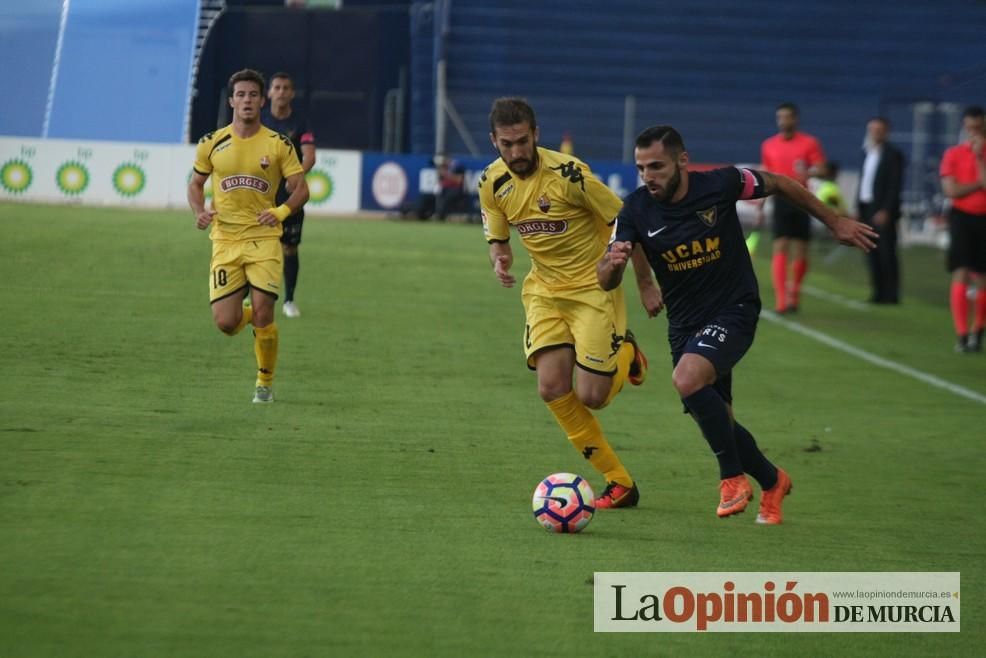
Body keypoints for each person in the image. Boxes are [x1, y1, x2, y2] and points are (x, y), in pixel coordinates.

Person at [598, 125, 877, 524]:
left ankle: (731, 479)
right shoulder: (635, 209)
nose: (648, 176)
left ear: (682, 161)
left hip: (735, 308)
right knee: (717, 419)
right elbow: (605, 278)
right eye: (642, 167)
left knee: (687, 379)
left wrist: (834, 223)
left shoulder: (722, 183)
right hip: (684, 323)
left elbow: (780, 183)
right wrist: (613, 266)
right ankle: (772, 479)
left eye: (657, 166)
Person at [479, 98, 663, 508]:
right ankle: (619, 482)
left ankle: (627, 351)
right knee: (551, 387)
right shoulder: (491, 182)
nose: (516, 152)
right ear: (494, 141)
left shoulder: (569, 175)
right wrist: (499, 256)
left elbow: (625, 219)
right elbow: (497, 233)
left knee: (592, 395)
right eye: (506, 144)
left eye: (522, 141)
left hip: (593, 289)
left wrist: (645, 283)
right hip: (544, 291)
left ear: (536, 134)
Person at [188, 69, 309, 403]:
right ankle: (252, 319)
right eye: (240, 95)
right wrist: (199, 211)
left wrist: (282, 212)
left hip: (265, 239)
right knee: (226, 323)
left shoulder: (278, 143)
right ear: (231, 101)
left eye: (253, 95)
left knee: (264, 313)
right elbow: (196, 184)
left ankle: (264, 383)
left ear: (262, 100)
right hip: (225, 240)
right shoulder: (211, 143)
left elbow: (301, 189)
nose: (247, 101)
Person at [760, 102, 827, 313]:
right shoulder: (769, 145)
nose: (784, 121)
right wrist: (761, 203)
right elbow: (766, 175)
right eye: (780, 117)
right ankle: (781, 300)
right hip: (780, 199)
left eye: (787, 117)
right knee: (780, 245)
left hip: (801, 198)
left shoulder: (809, 143)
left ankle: (794, 294)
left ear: (795, 119)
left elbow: (822, 169)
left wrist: (809, 173)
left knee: (801, 248)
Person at [260, 71, 316, 319]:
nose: (281, 92)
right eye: (277, 87)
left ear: (291, 93)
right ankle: (252, 294)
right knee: (256, 244)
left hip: (289, 196)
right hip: (261, 194)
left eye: (286, 88)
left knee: (289, 249)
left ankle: (289, 299)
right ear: (269, 92)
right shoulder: (259, 122)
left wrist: (296, 176)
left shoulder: (300, 123)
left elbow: (310, 155)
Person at [940, 105, 986, 353]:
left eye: (978, 128)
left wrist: (980, 159)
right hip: (961, 217)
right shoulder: (953, 154)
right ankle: (961, 333)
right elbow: (952, 191)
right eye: (969, 128)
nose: (973, 133)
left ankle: (978, 331)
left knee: (982, 277)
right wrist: (978, 184)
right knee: (960, 270)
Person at [857, 117, 905, 305]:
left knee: (886, 252)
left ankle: (891, 294)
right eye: (872, 129)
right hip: (867, 207)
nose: (875, 133)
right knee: (871, 252)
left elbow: (895, 185)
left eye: (879, 129)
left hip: (883, 209)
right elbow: (864, 182)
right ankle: (877, 292)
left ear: (886, 132)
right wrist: (857, 207)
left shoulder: (893, 154)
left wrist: (886, 209)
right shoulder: (867, 152)